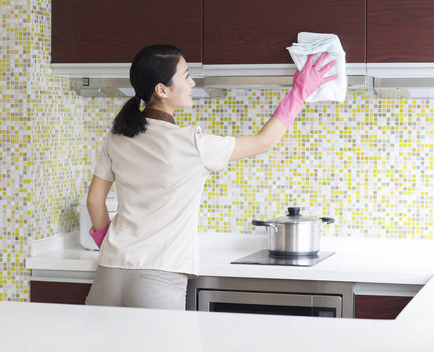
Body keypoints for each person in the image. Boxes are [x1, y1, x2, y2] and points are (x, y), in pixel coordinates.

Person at [84, 44, 336, 310]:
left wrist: (110, 245)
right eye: (186, 75)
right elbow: (264, 141)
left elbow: (94, 200)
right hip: (157, 277)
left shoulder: (116, 136)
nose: (192, 82)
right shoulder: (191, 143)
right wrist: (300, 92)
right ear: (162, 89)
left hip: (108, 272)